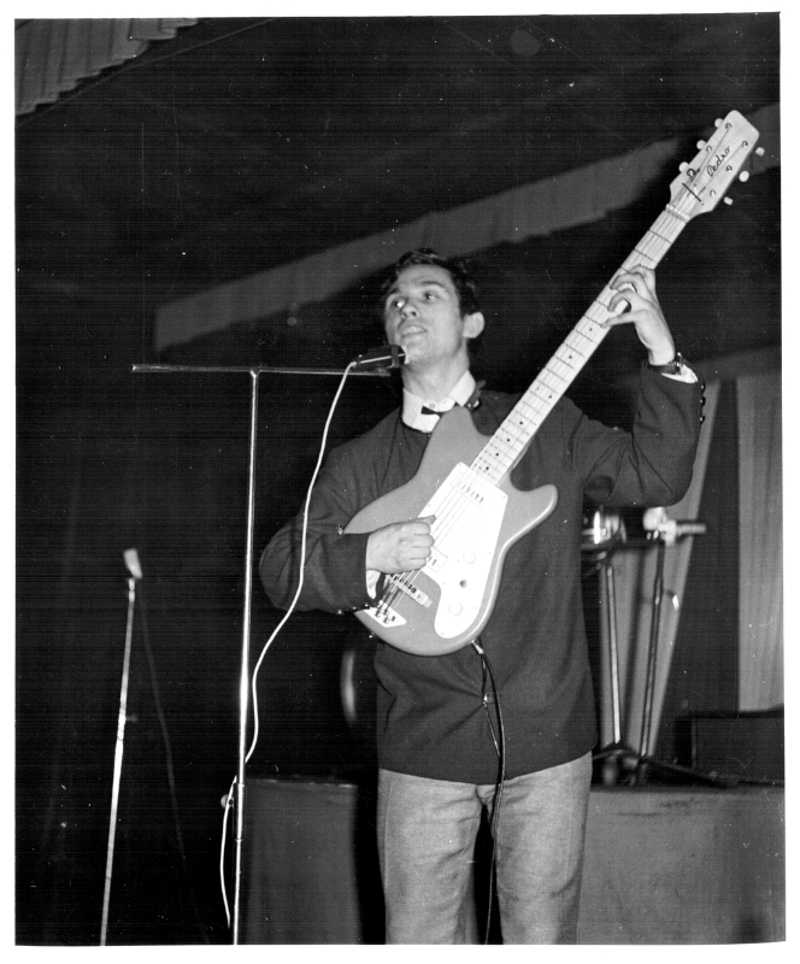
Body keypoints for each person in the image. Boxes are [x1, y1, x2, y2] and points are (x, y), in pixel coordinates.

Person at [259, 248, 703, 943]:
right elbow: (280, 568)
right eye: (395, 300)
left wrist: (660, 347)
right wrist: (368, 553)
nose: (407, 306)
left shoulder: (546, 421)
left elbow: (657, 474)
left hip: (546, 736)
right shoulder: (358, 461)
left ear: (473, 322)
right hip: (421, 744)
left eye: (428, 294)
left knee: (541, 941)